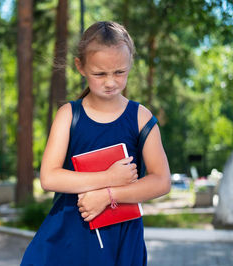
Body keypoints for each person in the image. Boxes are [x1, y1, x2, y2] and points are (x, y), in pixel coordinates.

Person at [21, 21, 171, 265]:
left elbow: (161, 181)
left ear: (130, 63)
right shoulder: (69, 115)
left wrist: (109, 195)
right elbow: (49, 178)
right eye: (100, 74)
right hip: (69, 235)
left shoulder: (141, 117)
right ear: (81, 66)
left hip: (121, 237)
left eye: (119, 72)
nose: (110, 82)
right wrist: (109, 178)